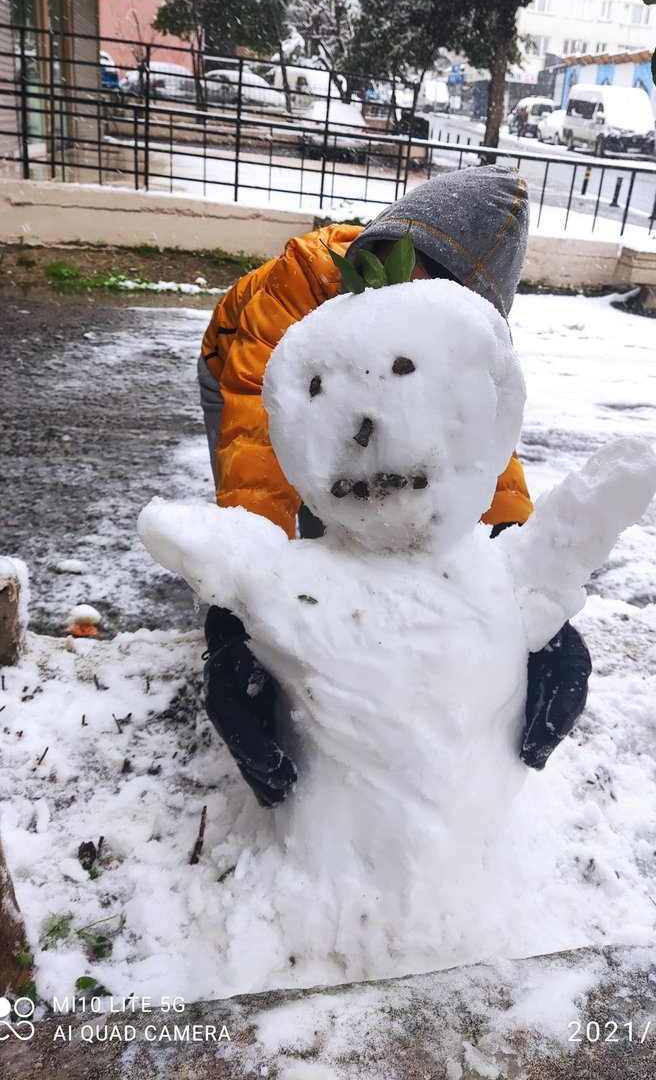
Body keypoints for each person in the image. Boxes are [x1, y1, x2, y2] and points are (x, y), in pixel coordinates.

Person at [197, 164, 592, 806]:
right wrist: (233, 618)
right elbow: (259, 455)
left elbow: (475, 454)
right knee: (325, 502)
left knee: (378, 520)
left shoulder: (448, 351)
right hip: (240, 375)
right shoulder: (300, 289)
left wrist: (539, 600)